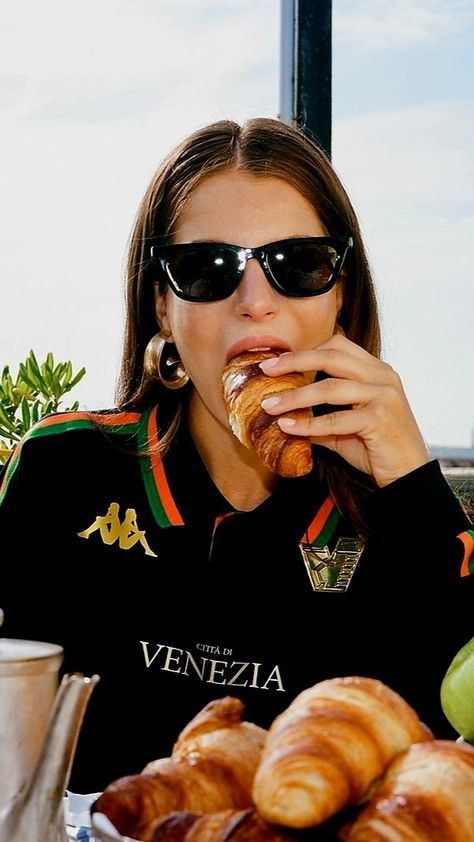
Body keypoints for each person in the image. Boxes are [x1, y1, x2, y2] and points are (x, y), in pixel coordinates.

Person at [0, 117, 472, 794]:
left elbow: (450, 762)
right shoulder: (65, 469)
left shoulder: (397, 515)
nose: (256, 303)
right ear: (161, 305)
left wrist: (416, 495)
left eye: (299, 264)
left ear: (342, 293)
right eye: (205, 269)